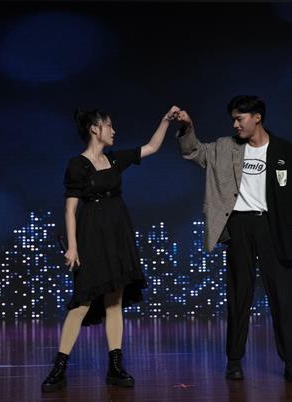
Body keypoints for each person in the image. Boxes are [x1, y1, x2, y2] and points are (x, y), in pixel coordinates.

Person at [174, 95, 292, 383]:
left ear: (257, 117)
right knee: (239, 296)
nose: (235, 124)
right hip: (239, 226)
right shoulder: (225, 147)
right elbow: (193, 151)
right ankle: (234, 361)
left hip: (272, 226)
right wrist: (188, 127)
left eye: (239, 118)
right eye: (233, 119)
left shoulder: (284, 150)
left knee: (282, 298)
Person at [41, 105, 181, 392]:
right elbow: (70, 210)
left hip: (118, 236)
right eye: (109, 125)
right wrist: (72, 247)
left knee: (114, 302)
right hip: (91, 237)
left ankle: (115, 367)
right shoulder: (78, 165)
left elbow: (152, 147)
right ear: (95, 128)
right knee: (82, 302)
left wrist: (165, 120)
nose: (114, 131)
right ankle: (59, 367)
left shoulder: (115, 159)